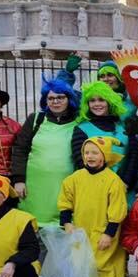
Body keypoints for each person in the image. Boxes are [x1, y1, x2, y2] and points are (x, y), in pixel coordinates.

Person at [58, 137, 129, 277]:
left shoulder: (113, 181)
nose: (90, 156)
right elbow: (65, 202)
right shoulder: (74, 179)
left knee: (101, 263)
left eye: (95, 153)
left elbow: (117, 211)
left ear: (104, 156)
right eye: (86, 152)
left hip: (103, 231)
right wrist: (67, 223)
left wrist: (109, 233)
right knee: (80, 262)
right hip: (80, 230)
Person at [11, 77, 81, 227]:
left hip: (64, 186)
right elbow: (20, 149)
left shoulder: (79, 122)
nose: (55, 101)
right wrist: (18, 180)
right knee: (33, 226)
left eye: (60, 97)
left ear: (69, 99)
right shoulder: (36, 120)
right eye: (51, 98)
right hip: (33, 187)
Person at [72, 81, 129, 177]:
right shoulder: (81, 129)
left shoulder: (123, 126)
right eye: (92, 100)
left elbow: (132, 156)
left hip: (125, 186)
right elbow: (82, 162)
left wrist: (126, 180)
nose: (96, 104)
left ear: (109, 102)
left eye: (101, 100)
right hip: (96, 185)